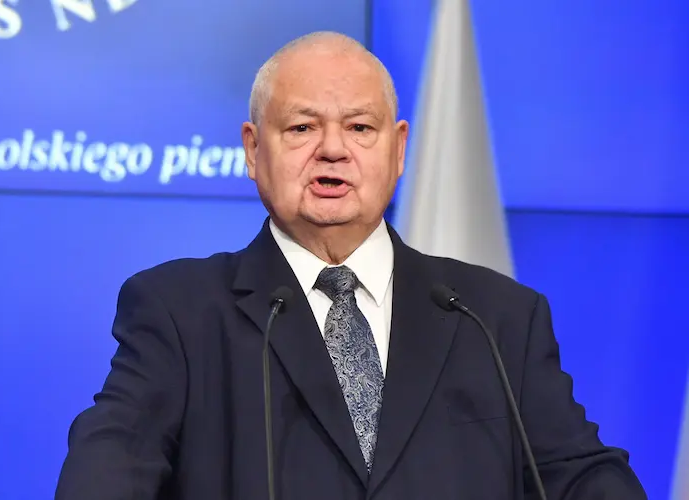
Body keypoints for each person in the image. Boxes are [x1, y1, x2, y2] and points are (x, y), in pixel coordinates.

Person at [55, 31, 646, 499]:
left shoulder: (496, 319)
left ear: (399, 148)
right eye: (302, 127)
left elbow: (580, 475)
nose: (333, 149)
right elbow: (112, 459)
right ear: (254, 149)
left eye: (360, 127)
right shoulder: (180, 311)